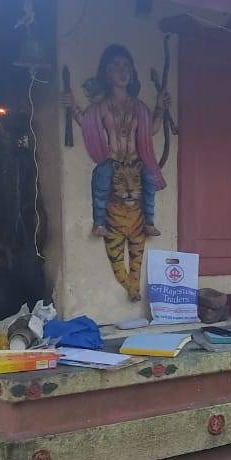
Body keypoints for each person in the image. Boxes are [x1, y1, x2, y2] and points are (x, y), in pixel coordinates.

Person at [61, 44, 170, 302]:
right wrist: (72, 105)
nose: (122, 71)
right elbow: (86, 123)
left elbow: (152, 130)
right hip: (112, 161)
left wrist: (160, 107)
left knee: (148, 183)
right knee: (100, 180)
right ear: (106, 74)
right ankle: (99, 222)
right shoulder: (100, 107)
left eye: (125, 66)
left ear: (132, 71)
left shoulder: (140, 107)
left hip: (135, 161)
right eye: (115, 66)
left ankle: (150, 222)